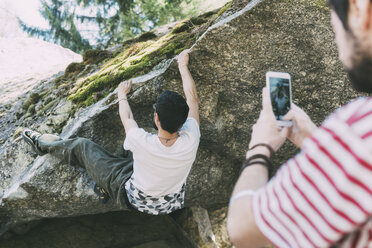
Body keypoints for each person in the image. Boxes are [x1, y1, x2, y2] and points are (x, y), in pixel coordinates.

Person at [227, 0, 372, 247]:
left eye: (334, 28)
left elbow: (243, 230)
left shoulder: (359, 127)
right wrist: (317, 142)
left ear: (360, 8)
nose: (338, 49)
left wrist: (259, 147)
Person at [22, 50, 200, 215]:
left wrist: (121, 94)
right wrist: (183, 66)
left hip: (132, 199)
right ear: (184, 121)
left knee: (81, 146)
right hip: (168, 204)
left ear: (156, 118)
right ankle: (111, 174)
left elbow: (127, 117)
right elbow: (193, 100)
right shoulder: (192, 137)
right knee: (132, 148)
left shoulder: (141, 140)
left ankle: (40, 143)